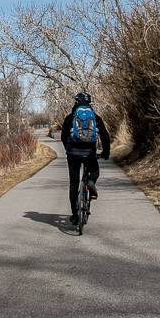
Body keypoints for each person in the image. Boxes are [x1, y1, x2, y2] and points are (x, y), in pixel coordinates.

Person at [61, 92, 110, 225]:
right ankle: (90, 182)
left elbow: (63, 136)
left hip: (73, 154)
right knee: (94, 172)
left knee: (74, 184)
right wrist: (106, 153)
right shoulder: (95, 117)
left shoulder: (71, 117)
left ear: (76, 102)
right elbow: (105, 136)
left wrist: (68, 150)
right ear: (89, 102)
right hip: (89, 153)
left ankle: (75, 215)